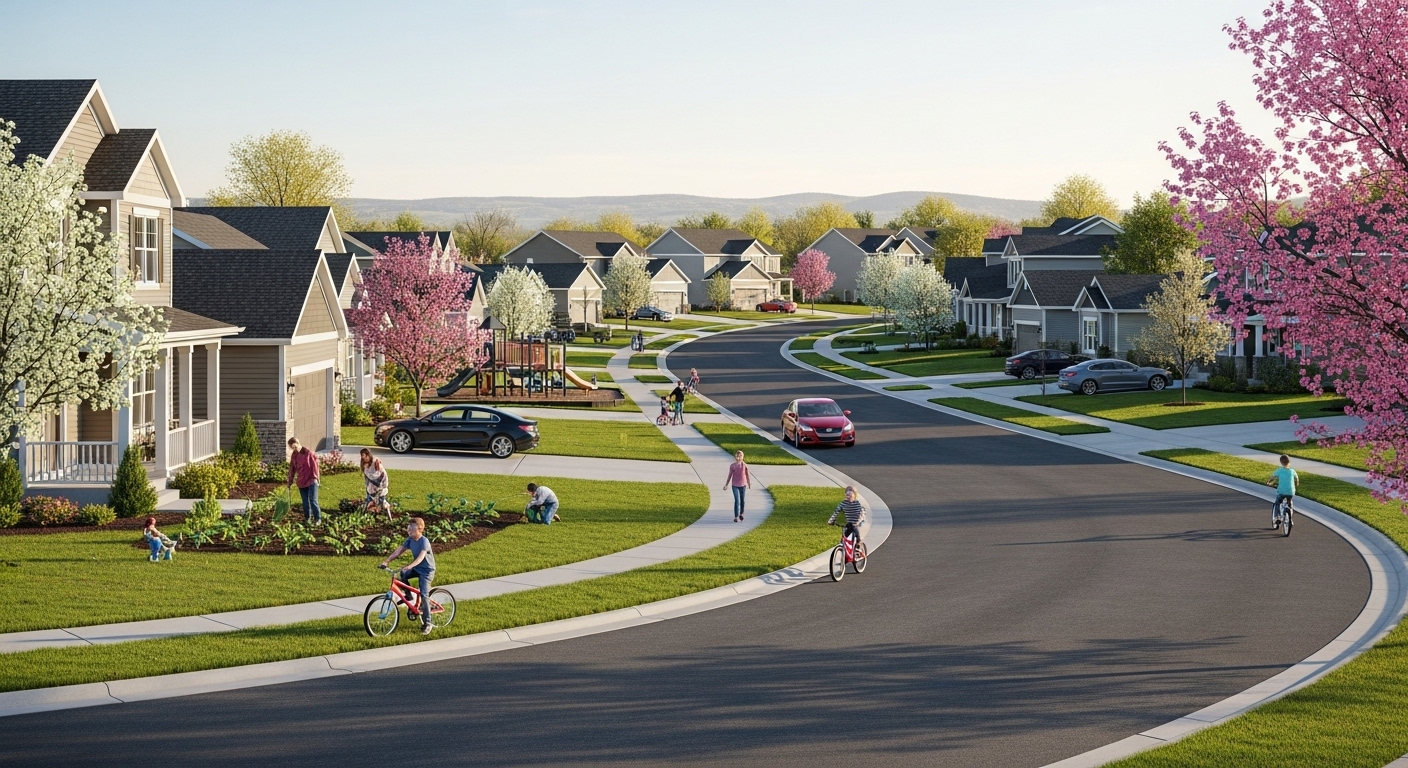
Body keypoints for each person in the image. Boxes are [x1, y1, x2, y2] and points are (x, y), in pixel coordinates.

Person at [380, 518, 437, 635]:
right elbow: (398, 551)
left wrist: (410, 566)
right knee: (403, 573)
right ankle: (409, 596)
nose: (409, 530)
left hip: (427, 571)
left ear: (419, 529)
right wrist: (386, 561)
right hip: (417, 568)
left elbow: (421, 557)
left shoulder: (424, 541)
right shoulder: (410, 540)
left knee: (424, 595)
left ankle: (427, 623)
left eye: (412, 527)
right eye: (408, 527)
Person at [286, 437, 322, 525]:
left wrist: (317, 479)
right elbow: (292, 468)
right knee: (305, 502)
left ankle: (318, 519)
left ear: (298, 443)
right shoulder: (294, 455)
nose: (294, 449)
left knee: (313, 500)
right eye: (292, 448)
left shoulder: (308, 453)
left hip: (311, 480)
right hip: (301, 481)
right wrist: (290, 481)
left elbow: (315, 467)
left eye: (295, 447)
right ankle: (307, 518)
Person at [1267, 454, 1299, 527]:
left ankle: (1277, 517)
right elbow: (1297, 479)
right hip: (1291, 492)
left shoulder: (1280, 470)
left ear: (1281, 462)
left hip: (1281, 491)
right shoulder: (1292, 471)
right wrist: (1296, 484)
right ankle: (1290, 519)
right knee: (1289, 503)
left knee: (1277, 503)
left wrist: (1269, 482)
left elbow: (1273, 477)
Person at [360, 448, 390, 520]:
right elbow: (367, 477)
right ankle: (367, 517)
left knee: (382, 503)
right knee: (369, 502)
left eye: (366, 456)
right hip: (370, 488)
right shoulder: (364, 464)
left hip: (379, 487)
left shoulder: (375, 463)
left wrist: (383, 485)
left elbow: (382, 474)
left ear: (369, 455)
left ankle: (388, 517)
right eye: (363, 457)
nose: (365, 458)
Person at [724, 450, 751, 522]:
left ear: (742, 457)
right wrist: (726, 484)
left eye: (740, 456)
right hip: (735, 485)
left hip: (743, 485)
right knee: (737, 501)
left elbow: (747, 475)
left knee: (742, 501)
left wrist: (749, 483)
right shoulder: (732, 466)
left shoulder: (745, 465)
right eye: (737, 456)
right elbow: (729, 475)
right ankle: (736, 516)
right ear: (735, 457)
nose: (738, 457)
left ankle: (741, 513)